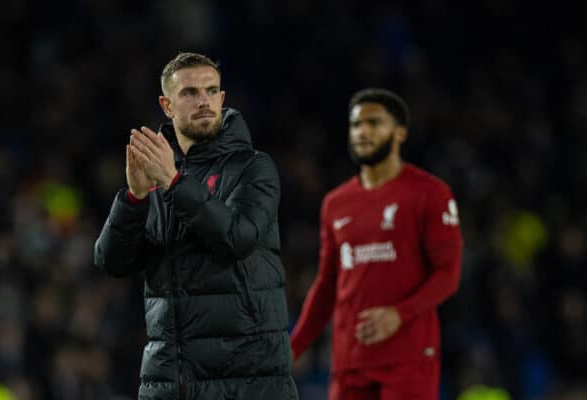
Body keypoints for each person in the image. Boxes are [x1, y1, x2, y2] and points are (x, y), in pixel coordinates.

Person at [94, 52, 297, 400]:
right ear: (167, 105)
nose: (203, 100)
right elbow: (112, 262)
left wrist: (173, 183)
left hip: (248, 378)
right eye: (189, 92)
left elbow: (238, 238)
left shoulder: (253, 167)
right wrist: (135, 198)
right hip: (170, 379)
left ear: (222, 99)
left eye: (211, 90)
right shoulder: (159, 175)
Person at [290, 88, 463, 400]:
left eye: (374, 123)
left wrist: (400, 314)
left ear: (400, 133)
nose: (363, 131)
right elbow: (328, 284)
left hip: (407, 359)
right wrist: (293, 347)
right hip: (348, 361)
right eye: (356, 125)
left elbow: (448, 275)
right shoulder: (335, 203)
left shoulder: (430, 193)